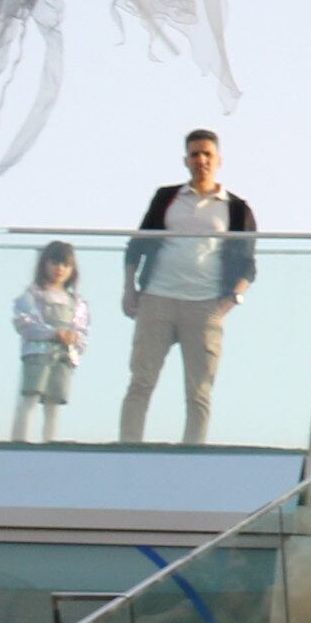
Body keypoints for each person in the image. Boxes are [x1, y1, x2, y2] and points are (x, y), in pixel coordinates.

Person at [114, 129, 258, 446]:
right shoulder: (167, 198)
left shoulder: (235, 208)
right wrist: (129, 288)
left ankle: (192, 453)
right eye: (195, 154)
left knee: (199, 390)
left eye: (207, 154)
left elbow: (248, 265)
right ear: (186, 160)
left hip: (205, 304)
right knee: (141, 380)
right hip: (158, 298)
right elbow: (137, 245)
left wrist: (229, 301)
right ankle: (127, 448)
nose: (201, 160)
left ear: (218, 160)